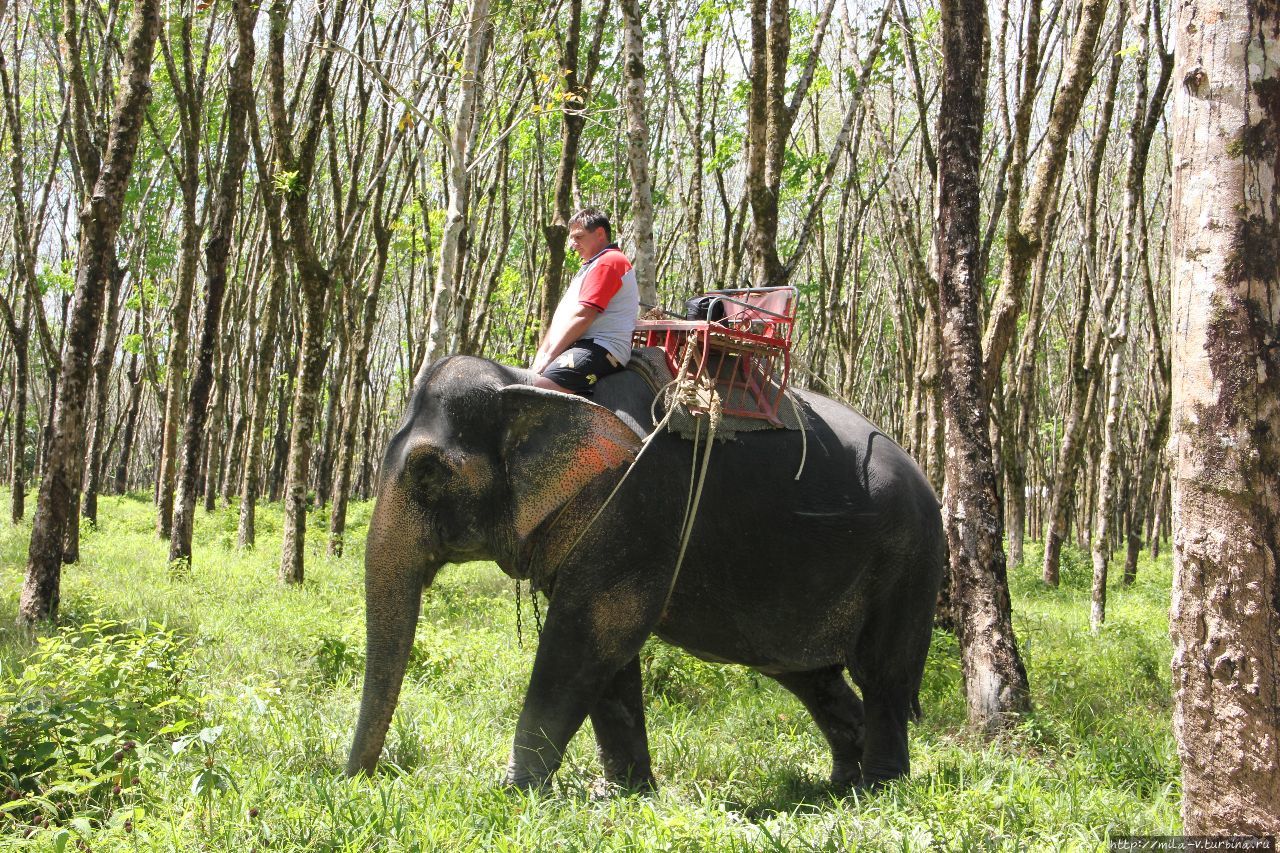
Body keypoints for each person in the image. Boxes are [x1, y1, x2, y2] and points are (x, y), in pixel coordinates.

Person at [530, 209, 639, 396]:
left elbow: (584, 315)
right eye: (572, 238)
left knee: (539, 391)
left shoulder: (609, 262)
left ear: (600, 234)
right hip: (582, 343)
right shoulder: (590, 266)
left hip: (603, 347)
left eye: (579, 237)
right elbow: (562, 319)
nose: (573, 244)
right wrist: (540, 356)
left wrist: (549, 357)